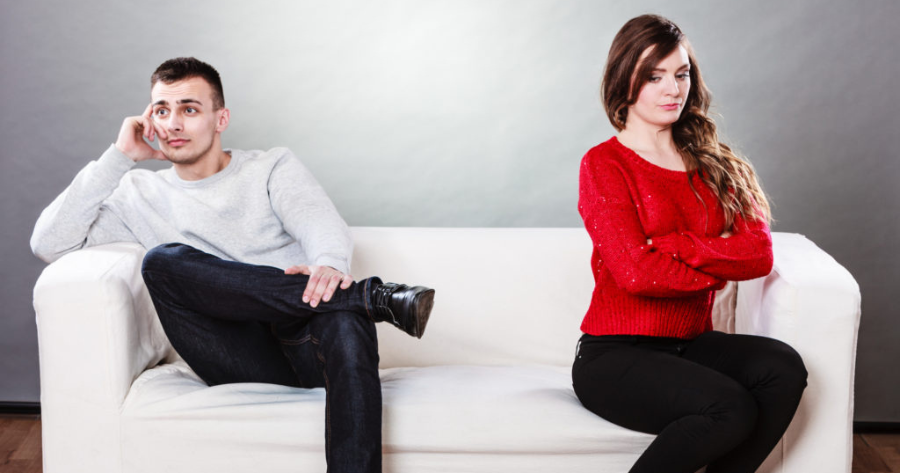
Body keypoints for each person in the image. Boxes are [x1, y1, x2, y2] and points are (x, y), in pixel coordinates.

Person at [30, 57, 436, 473]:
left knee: (346, 319)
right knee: (162, 262)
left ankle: (355, 303)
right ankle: (371, 296)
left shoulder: (270, 166)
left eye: (189, 109)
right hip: (231, 351)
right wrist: (120, 156)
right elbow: (48, 242)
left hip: (307, 341)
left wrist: (330, 264)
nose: (173, 124)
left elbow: (318, 220)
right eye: (161, 111)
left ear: (220, 118)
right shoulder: (138, 193)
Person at [572, 15, 807, 473]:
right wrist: (718, 268)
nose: (673, 89)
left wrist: (677, 245)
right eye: (654, 77)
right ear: (624, 82)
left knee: (783, 368)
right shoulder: (604, 164)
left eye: (681, 75)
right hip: (613, 355)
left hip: (689, 344)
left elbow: (757, 255)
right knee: (729, 406)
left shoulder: (719, 164)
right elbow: (636, 274)